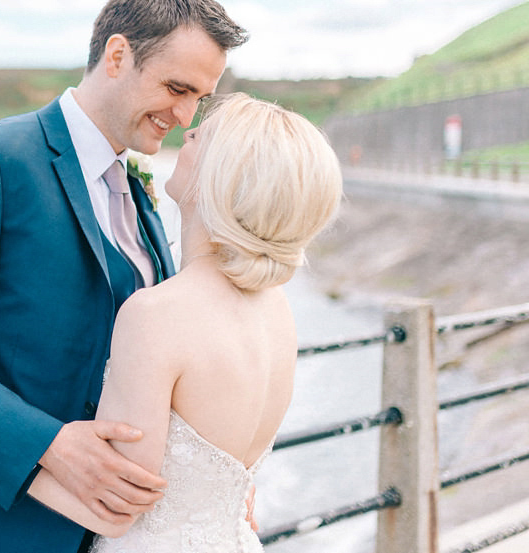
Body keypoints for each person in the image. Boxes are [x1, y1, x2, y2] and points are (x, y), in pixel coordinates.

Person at [0, 0, 248, 553]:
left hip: (121, 532)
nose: (187, 114)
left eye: (200, 98)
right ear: (117, 57)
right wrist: (45, 443)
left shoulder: (141, 194)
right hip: (3, 527)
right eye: (176, 87)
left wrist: (214, 483)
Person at [28, 93, 343, 552]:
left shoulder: (155, 315)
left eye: (202, 135)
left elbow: (116, 504)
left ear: (221, 176)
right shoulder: (278, 308)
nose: (187, 128)